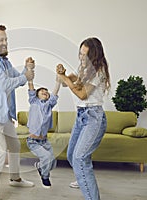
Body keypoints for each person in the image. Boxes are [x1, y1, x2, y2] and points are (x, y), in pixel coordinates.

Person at [0, 25, 35, 200]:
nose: (5, 43)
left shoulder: (5, 62)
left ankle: (15, 178)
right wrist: (26, 76)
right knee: (0, 151)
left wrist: (27, 68)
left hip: (4, 113)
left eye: (6, 39)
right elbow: (5, 84)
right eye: (1, 40)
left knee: (15, 147)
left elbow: (19, 79)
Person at [57, 37, 111, 200]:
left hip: (94, 117)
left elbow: (81, 93)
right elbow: (70, 83)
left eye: (85, 55)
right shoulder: (83, 68)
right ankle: (83, 177)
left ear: (94, 56)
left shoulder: (98, 71)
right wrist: (63, 74)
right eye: (80, 53)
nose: (81, 57)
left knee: (80, 159)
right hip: (81, 116)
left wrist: (64, 78)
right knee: (72, 155)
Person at [25, 57, 61, 189]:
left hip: (44, 141)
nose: (45, 92)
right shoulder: (33, 102)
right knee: (47, 158)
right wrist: (29, 68)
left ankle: (40, 167)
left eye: (46, 92)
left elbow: (55, 92)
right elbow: (31, 85)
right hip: (33, 141)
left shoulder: (49, 105)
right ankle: (45, 176)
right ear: (37, 95)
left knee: (52, 162)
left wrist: (58, 78)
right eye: (42, 92)